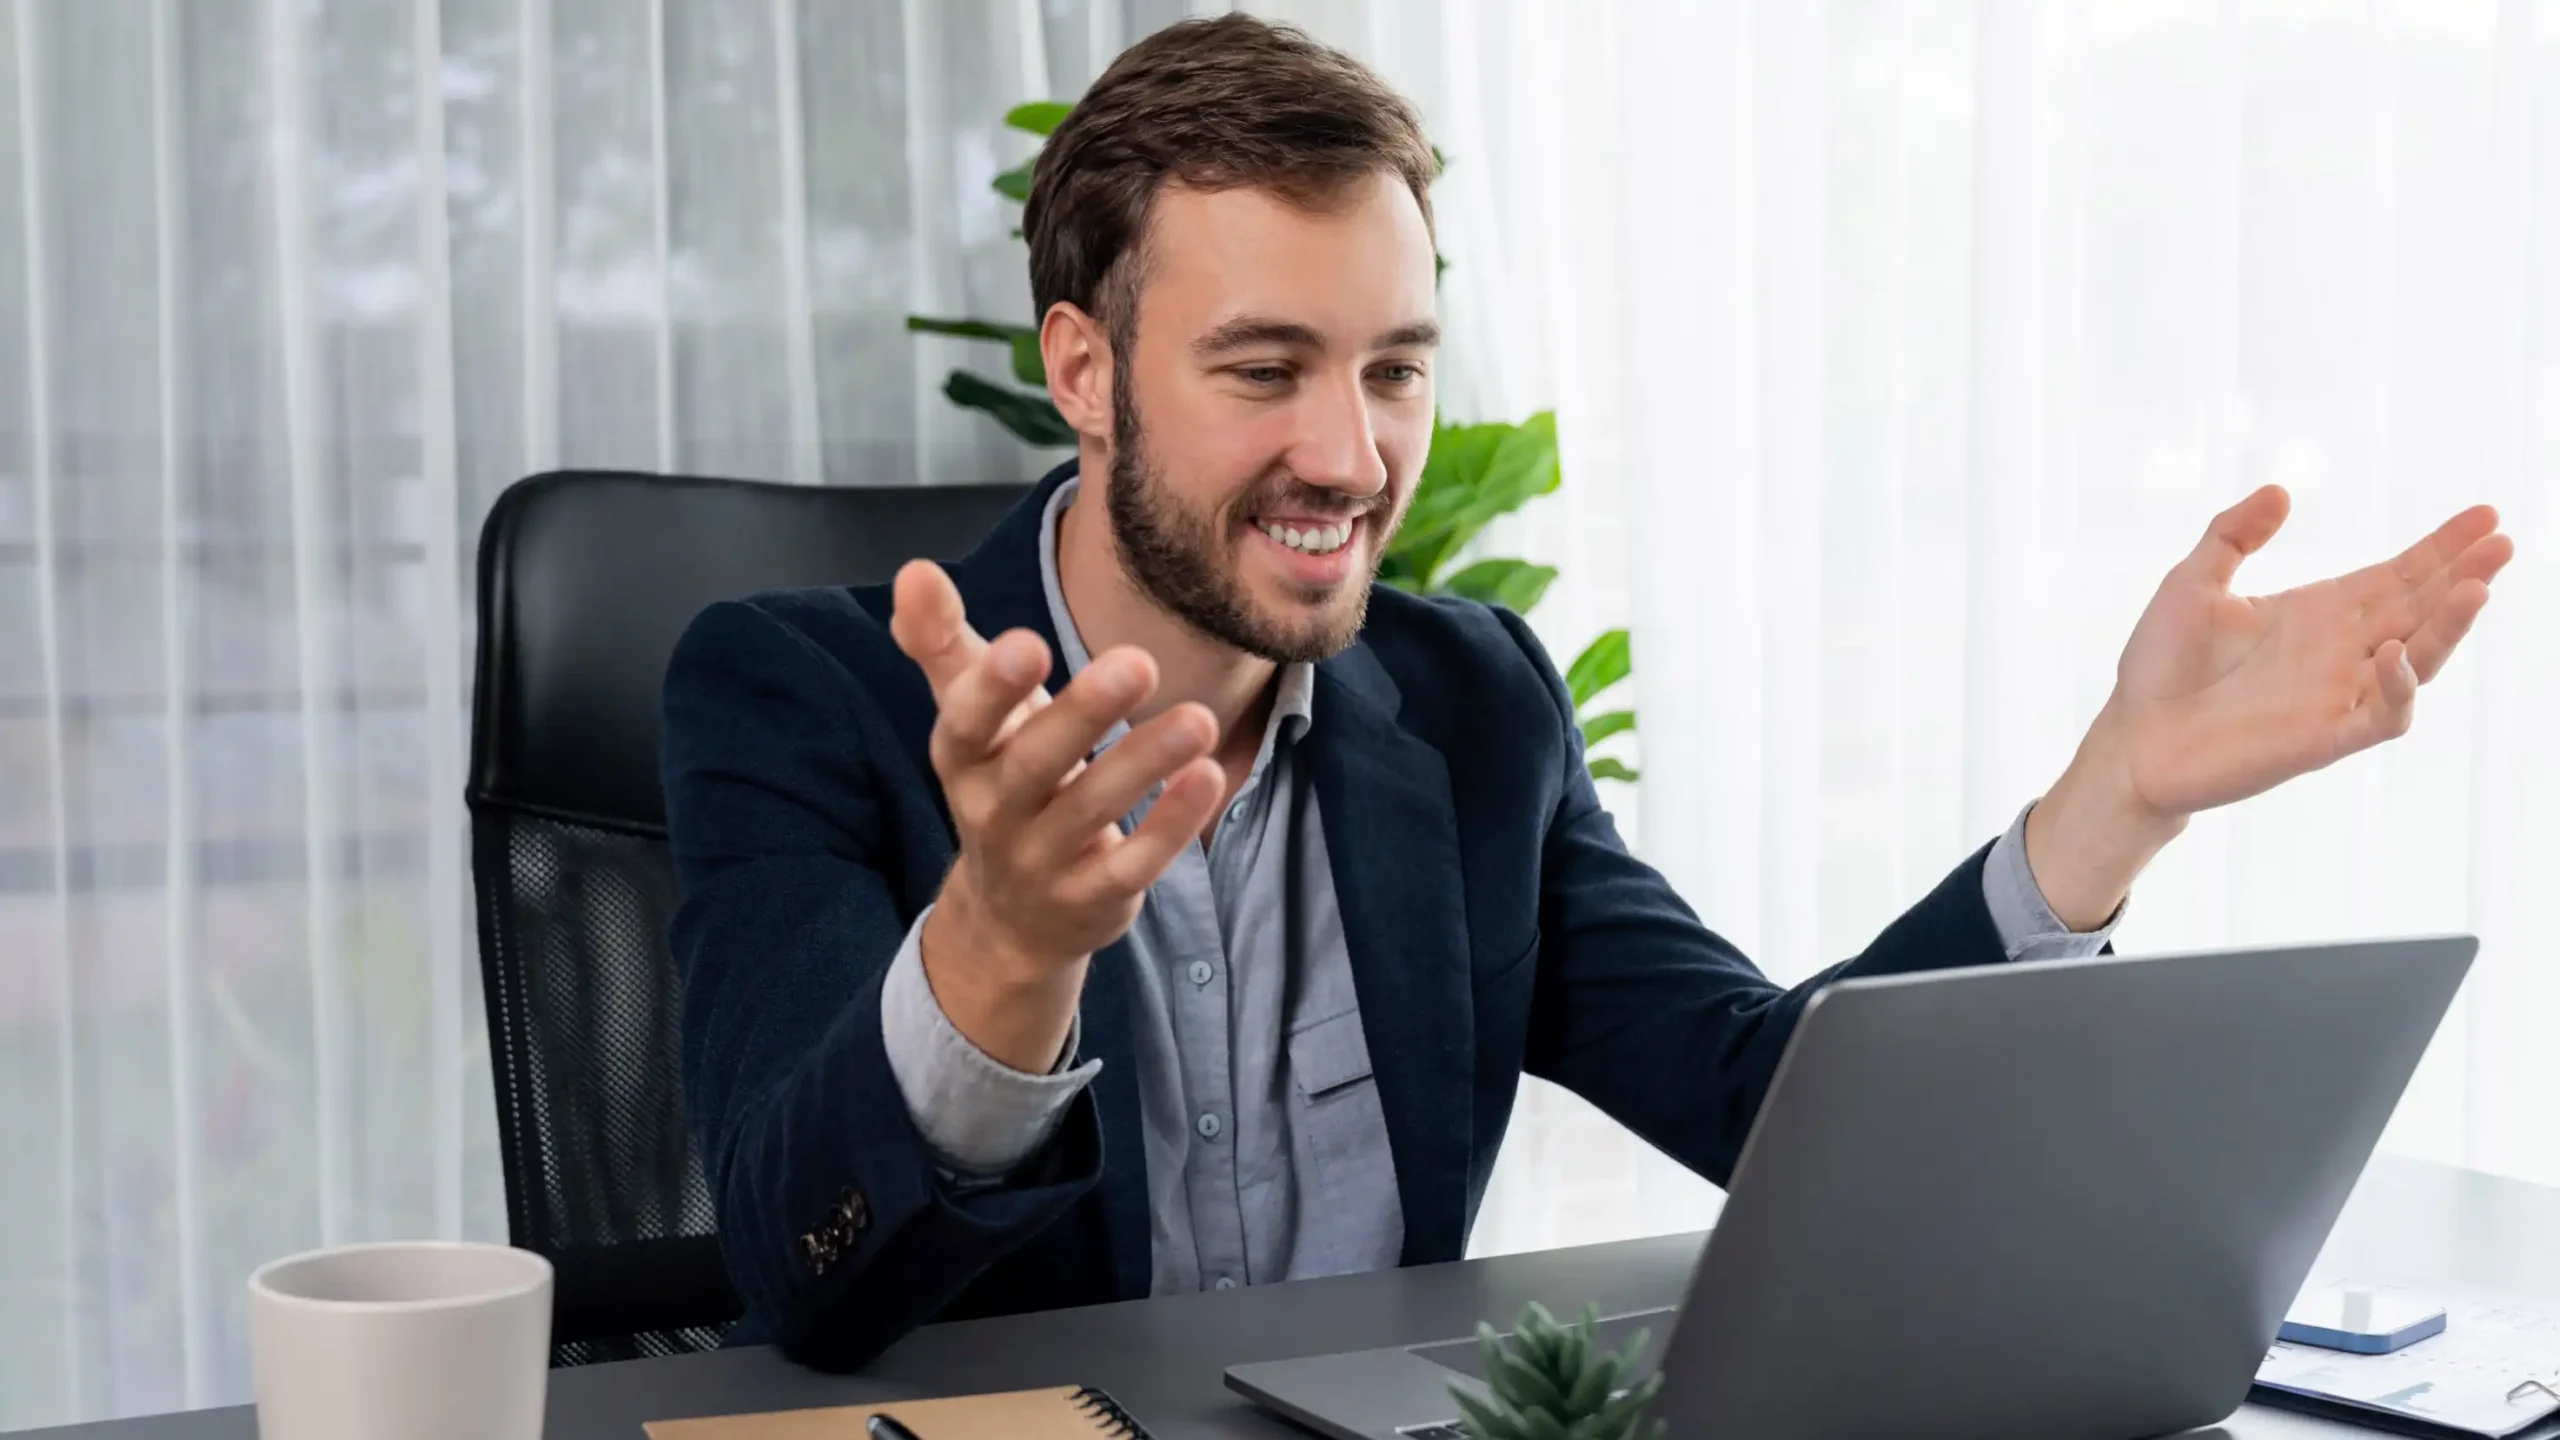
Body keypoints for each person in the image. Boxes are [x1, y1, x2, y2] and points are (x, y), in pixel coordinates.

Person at [659, 14, 2512, 1371]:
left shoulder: (1470, 707)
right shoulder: (797, 698)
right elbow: (806, 1278)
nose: (1349, 452)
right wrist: (1000, 950)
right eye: (1265, 367)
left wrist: (2118, 798)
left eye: (1395, 368)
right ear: (1084, 366)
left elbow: (1773, 1105)